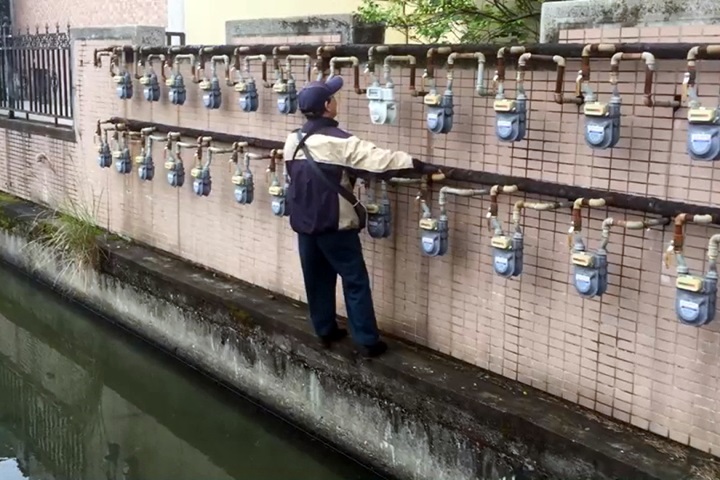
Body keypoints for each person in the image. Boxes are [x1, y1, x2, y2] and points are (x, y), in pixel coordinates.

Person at [282, 75, 438, 358]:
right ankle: (367, 340)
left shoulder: (292, 139)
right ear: (328, 105)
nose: (336, 100)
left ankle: (325, 330)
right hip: (334, 223)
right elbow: (378, 159)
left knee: (316, 278)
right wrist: (417, 164)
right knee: (354, 279)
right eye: (332, 97)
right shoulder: (339, 141)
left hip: (304, 223)